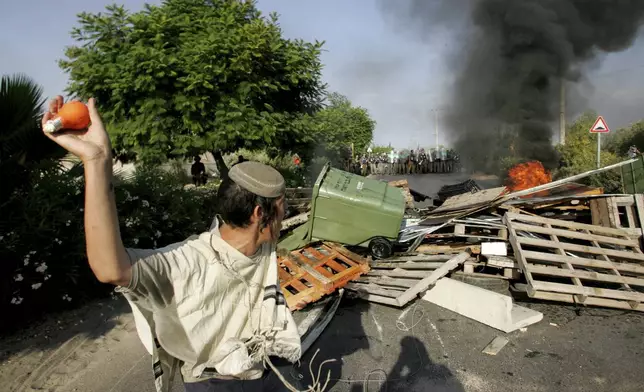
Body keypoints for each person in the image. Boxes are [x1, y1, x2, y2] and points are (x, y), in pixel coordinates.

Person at [41, 96, 303, 392]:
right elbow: (109, 269)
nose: (285, 215)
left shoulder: (261, 246)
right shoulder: (190, 261)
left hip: (264, 369)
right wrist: (97, 160)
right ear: (259, 214)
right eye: (281, 208)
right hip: (213, 382)